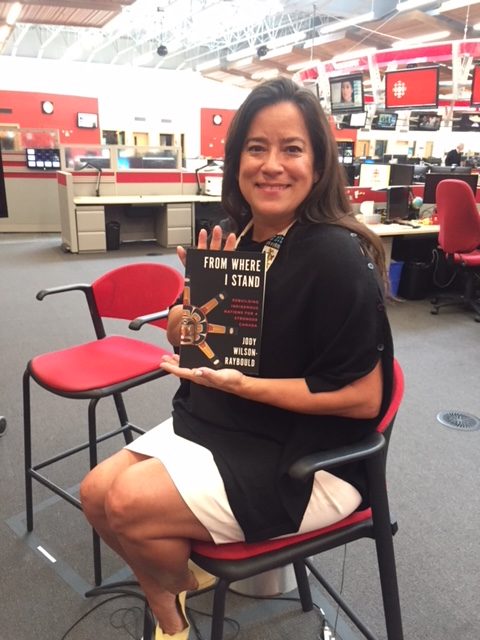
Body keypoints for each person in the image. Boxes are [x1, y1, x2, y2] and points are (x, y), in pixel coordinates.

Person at [80, 76, 394, 639]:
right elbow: (187, 334)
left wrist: (246, 388)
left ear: (318, 166)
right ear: (236, 160)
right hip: (224, 424)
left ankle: (169, 617)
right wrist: (190, 312)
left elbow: (363, 398)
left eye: (291, 149)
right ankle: (174, 592)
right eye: (257, 148)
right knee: (95, 494)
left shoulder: (336, 256)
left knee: (126, 504)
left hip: (310, 454)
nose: (272, 165)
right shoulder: (230, 234)